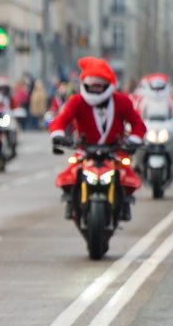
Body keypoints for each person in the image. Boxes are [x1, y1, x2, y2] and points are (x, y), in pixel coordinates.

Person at [50, 57, 145, 221]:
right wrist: (58, 135)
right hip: (85, 150)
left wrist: (134, 139)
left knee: (127, 177)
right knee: (70, 175)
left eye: (99, 84)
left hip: (114, 151)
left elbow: (138, 123)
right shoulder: (77, 101)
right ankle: (71, 202)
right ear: (85, 84)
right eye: (92, 84)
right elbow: (61, 119)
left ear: (107, 84)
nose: (95, 88)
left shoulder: (121, 101)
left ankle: (124, 203)